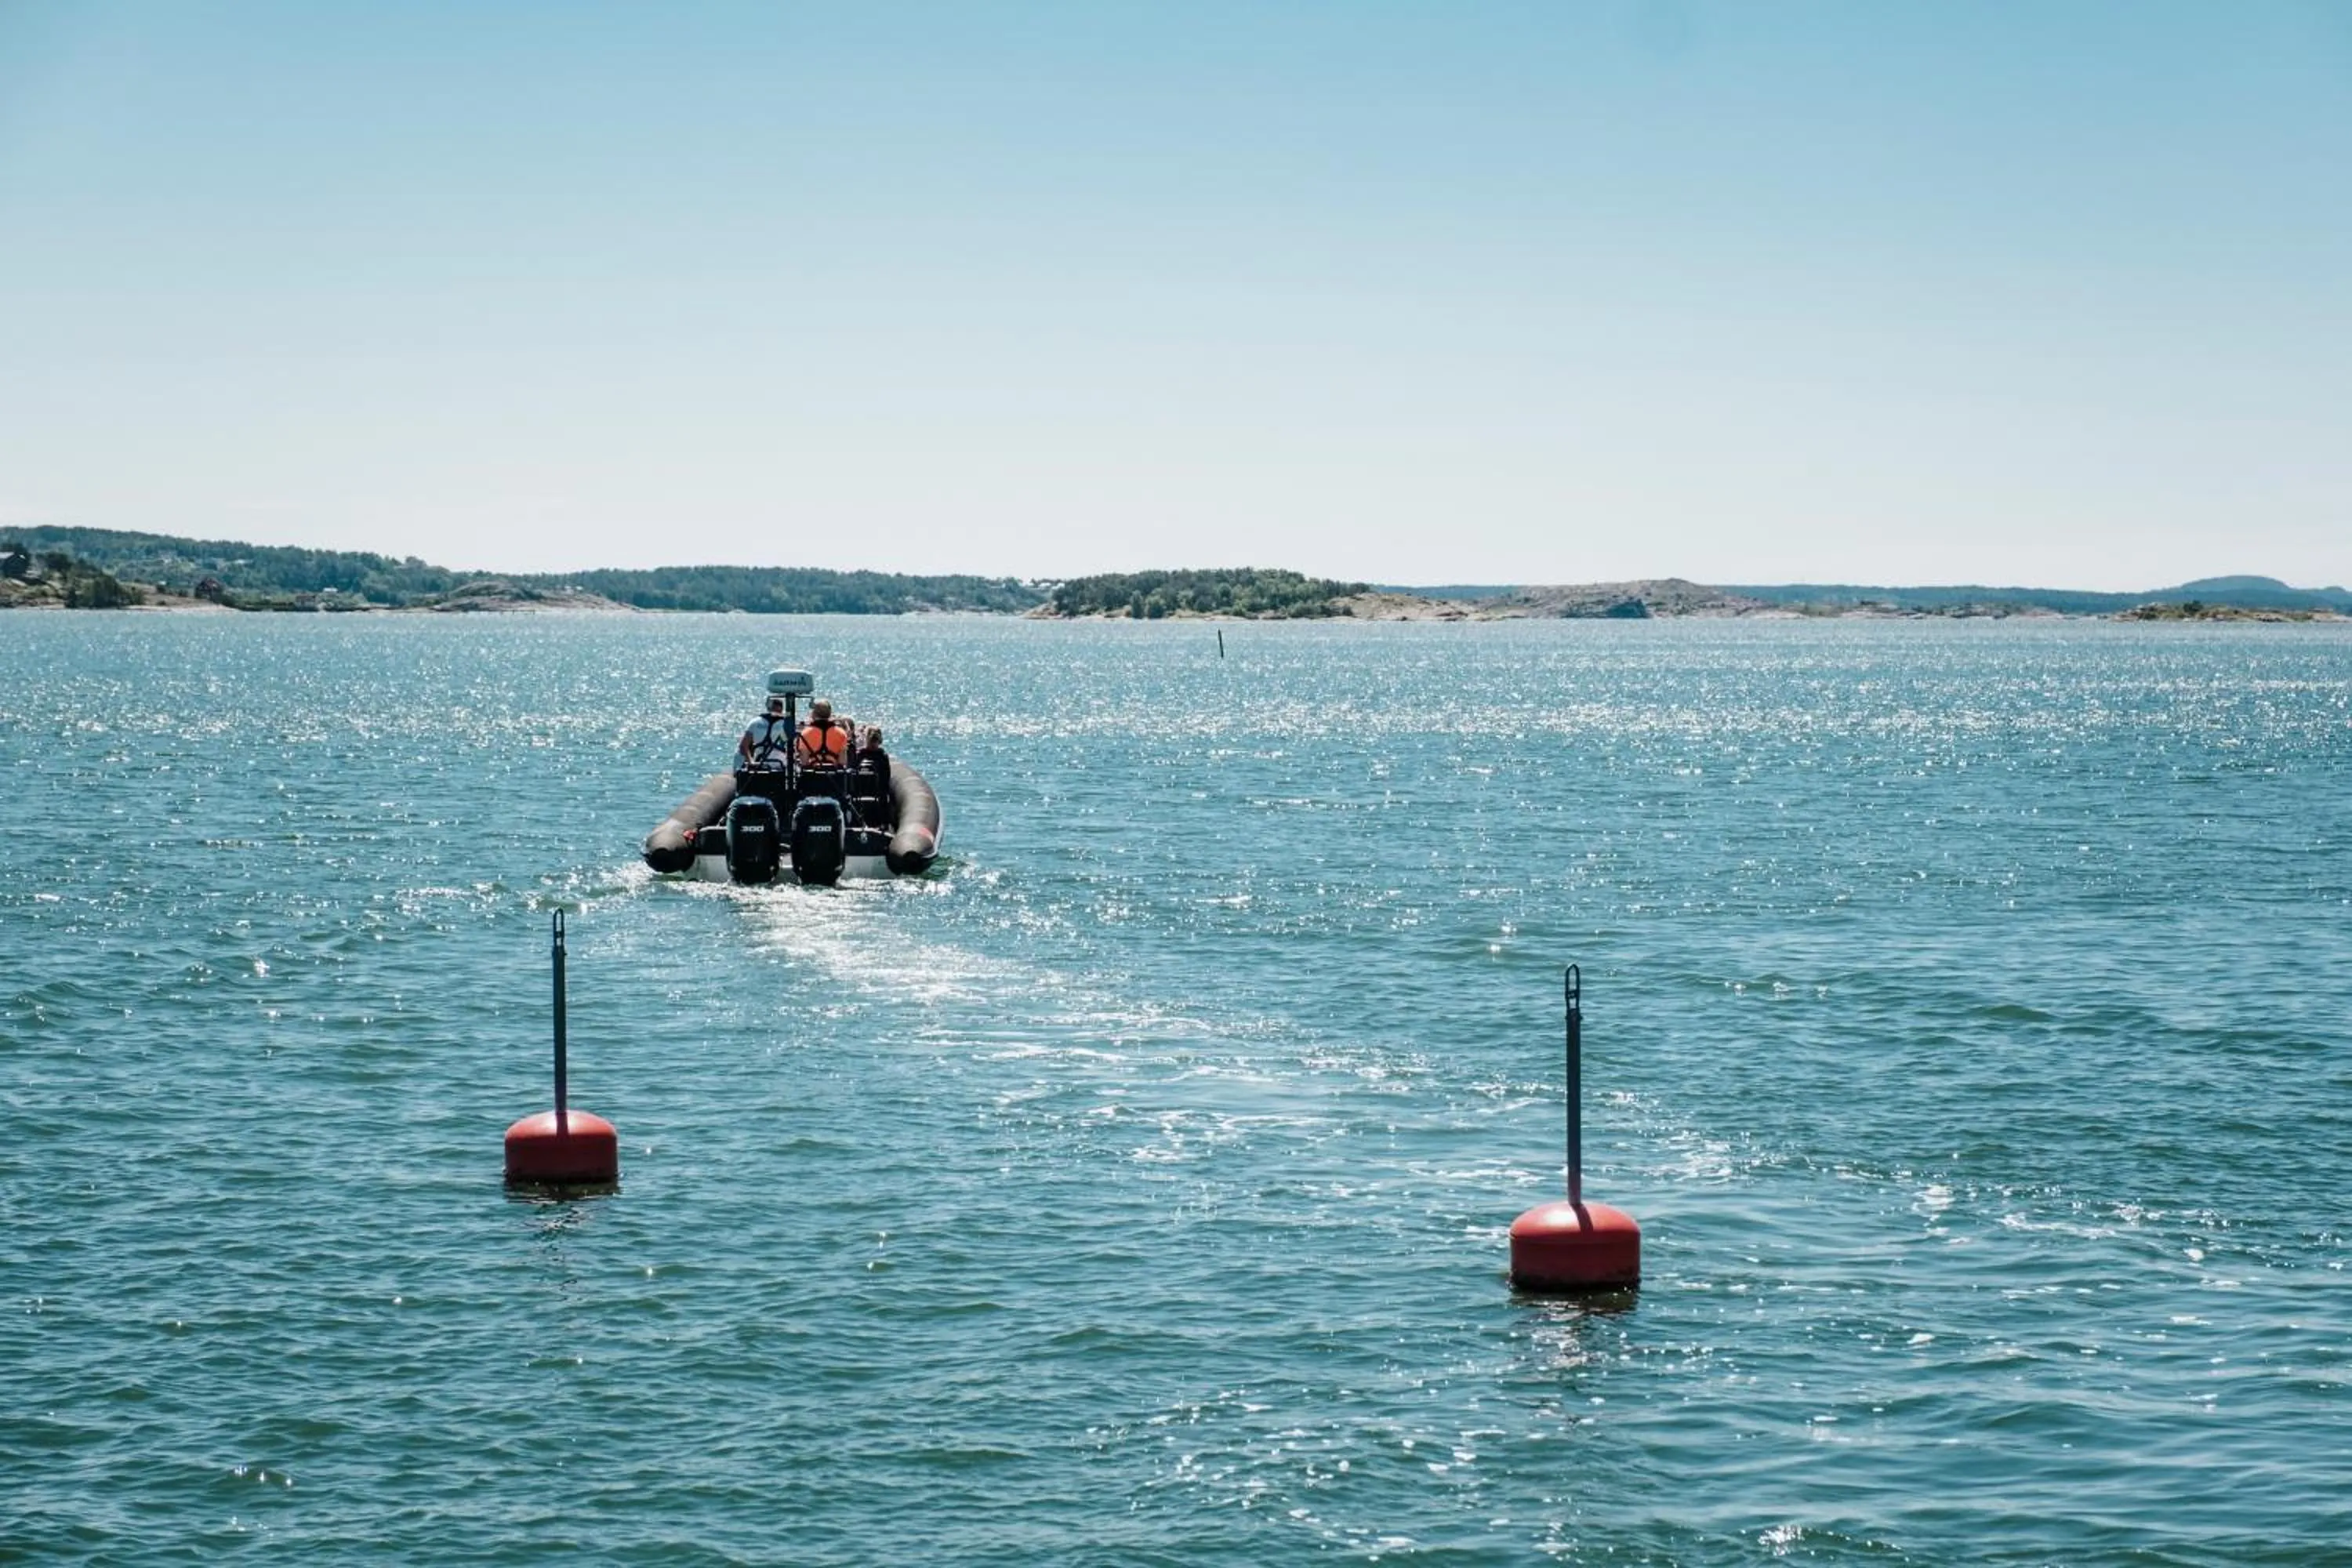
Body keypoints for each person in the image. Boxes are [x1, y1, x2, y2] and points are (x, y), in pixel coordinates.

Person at [739, 695, 793, 771]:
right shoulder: (786, 724)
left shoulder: (754, 722)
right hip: (780, 765)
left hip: (759, 763)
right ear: (781, 709)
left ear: (768, 707)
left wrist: (751, 762)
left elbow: (743, 747)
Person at [795, 698, 851, 767]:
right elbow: (842, 761)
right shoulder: (841, 733)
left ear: (813, 714)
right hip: (833, 775)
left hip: (812, 774)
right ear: (830, 714)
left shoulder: (805, 733)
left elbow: (804, 761)